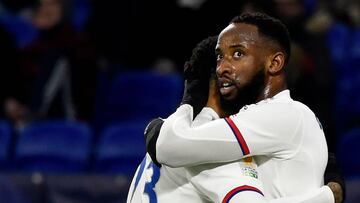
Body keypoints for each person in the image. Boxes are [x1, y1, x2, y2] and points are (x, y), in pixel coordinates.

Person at [143, 12, 344, 202]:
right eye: (219, 56)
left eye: (238, 54)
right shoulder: (287, 115)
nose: (222, 68)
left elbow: (167, 146)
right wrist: (328, 195)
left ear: (274, 63)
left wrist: (188, 103)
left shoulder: (280, 113)